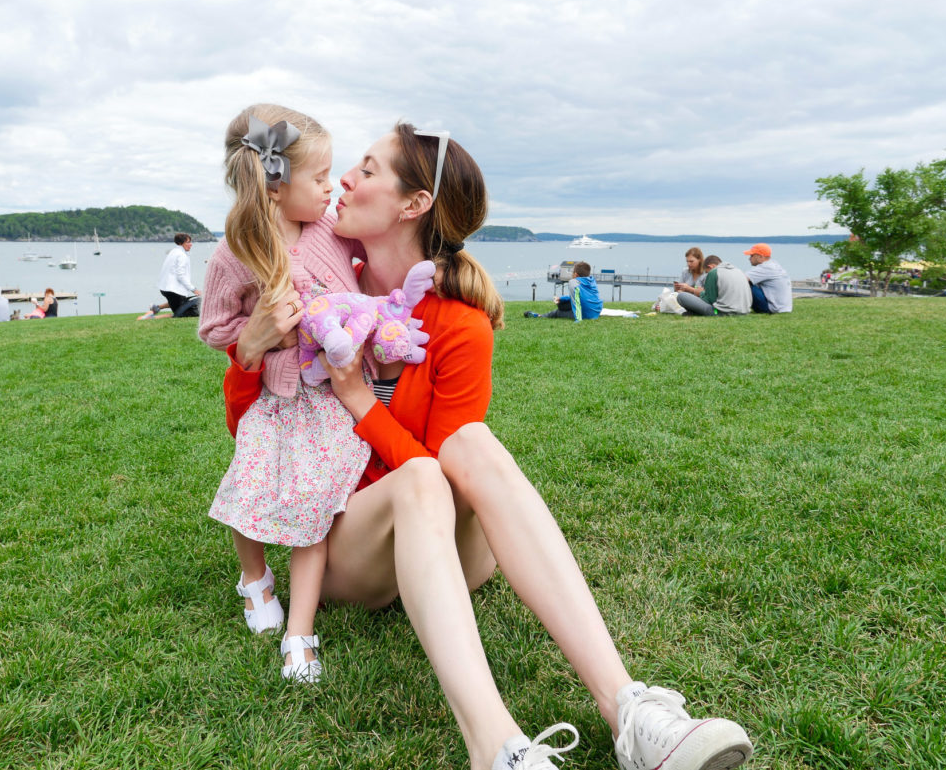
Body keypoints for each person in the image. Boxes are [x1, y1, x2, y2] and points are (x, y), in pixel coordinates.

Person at [222, 123, 753, 770]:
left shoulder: (459, 321)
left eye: (366, 168)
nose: (345, 181)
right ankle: (498, 749)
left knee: (469, 442)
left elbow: (447, 459)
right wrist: (249, 349)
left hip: (450, 547)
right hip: (348, 550)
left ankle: (631, 710)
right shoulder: (323, 291)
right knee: (421, 476)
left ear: (412, 205)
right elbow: (252, 433)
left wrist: (361, 400)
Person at [197, 104, 370, 683]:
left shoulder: (330, 231)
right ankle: (254, 578)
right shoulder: (233, 254)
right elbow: (216, 329)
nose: (331, 188)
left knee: (311, 506)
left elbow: (370, 288)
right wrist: (258, 340)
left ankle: (300, 630)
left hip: (328, 405)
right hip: (273, 404)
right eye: (320, 178)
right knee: (251, 488)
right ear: (275, 184)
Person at [523, 261, 602, 319]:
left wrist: (578, 320)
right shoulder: (592, 281)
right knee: (564, 302)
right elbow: (578, 296)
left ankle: (540, 316)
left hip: (585, 315)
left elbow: (576, 303)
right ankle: (555, 307)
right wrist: (561, 298)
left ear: (576, 275)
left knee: (558, 312)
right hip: (595, 312)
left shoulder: (573, 282)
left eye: (572, 272)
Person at [677, 256, 751, 316]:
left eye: (706, 272)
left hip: (719, 312)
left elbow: (710, 300)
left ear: (711, 267)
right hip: (744, 312)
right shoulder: (738, 271)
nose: (706, 275)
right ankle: (695, 313)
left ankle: (696, 312)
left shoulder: (714, 272)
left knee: (682, 296)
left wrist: (699, 292)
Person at [150, 233, 202, 316]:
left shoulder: (174, 252)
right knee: (183, 314)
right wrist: (194, 289)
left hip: (166, 289)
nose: (191, 244)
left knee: (182, 303)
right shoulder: (182, 255)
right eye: (188, 242)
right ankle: (151, 318)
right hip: (173, 291)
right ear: (181, 243)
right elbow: (180, 276)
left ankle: (157, 307)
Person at [743, 243, 792, 313]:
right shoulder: (774, 264)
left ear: (760, 257)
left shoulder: (765, 267)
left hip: (773, 308)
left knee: (744, 284)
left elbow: (741, 279)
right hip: (783, 308)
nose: (749, 258)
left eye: (752, 256)